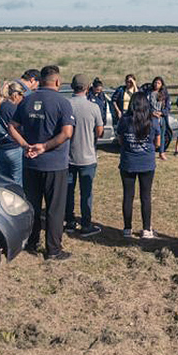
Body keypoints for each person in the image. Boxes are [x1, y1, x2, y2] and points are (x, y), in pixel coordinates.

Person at [8, 65, 75, 260]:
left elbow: (11, 127)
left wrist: (25, 145)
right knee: (54, 208)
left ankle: (31, 241)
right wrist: (44, 147)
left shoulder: (27, 100)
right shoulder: (63, 103)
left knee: (32, 205)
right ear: (57, 81)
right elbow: (67, 133)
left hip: (30, 163)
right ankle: (53, 250)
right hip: (55, 164)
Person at [65, 74, 105, 236]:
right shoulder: (93, 107)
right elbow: (100, 132)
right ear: (88, 87)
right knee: (86, 192)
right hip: (87, 156)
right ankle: (86, 224)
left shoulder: (65, 105)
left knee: (68, 191)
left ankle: (70, 221)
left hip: (68, 157)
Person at [117, 92, 160, 238]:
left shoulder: (124, 120)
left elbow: (120, 140)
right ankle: (147, 229)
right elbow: (158, 143)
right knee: (145, 196)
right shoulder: (153, 121)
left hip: (128, 162)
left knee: (128, 196)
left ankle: (127, 229)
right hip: (146, 164)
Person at [0, 81, 25, 185]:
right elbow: (20, 127)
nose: (22, 98)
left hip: (0, 147)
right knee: (17, 182)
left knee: (4, 181)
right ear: (15, 95)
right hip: (13, 147)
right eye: (21, 95)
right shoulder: (12, 108)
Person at [146, 76, 171, 160]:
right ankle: (151, 152)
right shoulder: (149, 93)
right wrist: (151, 112)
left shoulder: (165, 94)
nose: (157, 84)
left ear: (161, 84)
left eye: (159, 83)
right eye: (155, 82)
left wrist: (161, 113)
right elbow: (145, 105)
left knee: (162, 135)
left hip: (161, 118)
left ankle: (162, 152)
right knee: (152, 135)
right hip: (151, 117)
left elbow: (168, 107)